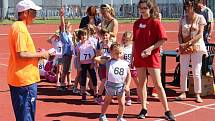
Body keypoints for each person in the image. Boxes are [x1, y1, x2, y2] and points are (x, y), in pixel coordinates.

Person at [7, 0, 54, 120]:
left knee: (23, 115)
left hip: (20, 78)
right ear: (24, 13)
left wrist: (39, 55)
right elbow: (21, 54)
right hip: (25, 80)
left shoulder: (17, 27)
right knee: (26, 116)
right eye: (33, 12)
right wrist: (42, 55)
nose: (35, 16)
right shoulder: (20, 29)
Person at [132, 0, 175, 120]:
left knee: (158, 84)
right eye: (140, 7)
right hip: (139, 57)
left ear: (150, 9)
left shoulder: (156, 23)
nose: (142, 10)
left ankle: (167, 110)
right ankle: (144, 108)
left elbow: (162, 39)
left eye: (145, 8)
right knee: (141, 83)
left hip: (152, 57)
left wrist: (150, 49)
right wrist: (132, 56)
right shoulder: (136, 23)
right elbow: (134, 41)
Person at [176, 0, 207, 103]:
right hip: (184, 47)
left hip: (197, 47)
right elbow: (179, 33)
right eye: (186, 7)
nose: (187, 9)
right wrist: (181, 44)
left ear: (193, 7)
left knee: (196, 71)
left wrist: (188, 43)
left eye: (189, 6)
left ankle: (198, 94)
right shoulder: (182, 19)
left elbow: (200, 34)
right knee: (183, 70)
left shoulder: (200, 18)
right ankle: (183, 92)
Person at [96, 43, 131, 121]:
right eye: (116, 53)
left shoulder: (125, 63)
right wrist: (108, 57)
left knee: (122, 103)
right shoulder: (108, 62)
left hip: (121, 86)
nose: (118, 55)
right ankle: (102, 115)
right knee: (107, 102)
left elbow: (129, 75)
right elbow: (96, 58)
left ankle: (120, 117)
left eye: (120, 53)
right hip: (110, 85)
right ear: (111, 52)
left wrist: (127, 85)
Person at [77, 29, 98, 102]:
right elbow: (78, 56)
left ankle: (96, 93)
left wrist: (93, 63)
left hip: (90, 64)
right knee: (83, 79)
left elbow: (95, 54)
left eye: (85, 35)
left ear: (87, 36)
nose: (83, 36)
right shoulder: (79, 45)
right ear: (79, 36)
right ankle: (83, 94)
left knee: (94, 78)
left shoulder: (90, 44)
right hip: (83, 65)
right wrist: (79, 66)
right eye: (82, 35)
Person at [121, 31, 140, 105]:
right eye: (124, 39)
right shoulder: (121, 47)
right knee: (126, 84)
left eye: (127, 40)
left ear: (131, 40)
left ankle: (140, 97)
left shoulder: (133, 47)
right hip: (125, 69)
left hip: (133, 68)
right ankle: (128, 98)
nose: (125, 41)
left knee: (138, 83)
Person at [94, 28, 112, 105]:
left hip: (110, 63)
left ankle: (108, 97)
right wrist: (102, 46)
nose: (105, 37)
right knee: (104, 80)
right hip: (103, 63)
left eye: (106, 35)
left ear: (109, 35)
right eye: (103, 35)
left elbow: (114, 52)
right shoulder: (100, 43)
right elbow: (98, 54)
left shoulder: (112, 43)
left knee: (110, 80)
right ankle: (99, 96)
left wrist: (108, 45)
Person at [59, 7, 74, 91]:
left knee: (69, 70)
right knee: (65, 70)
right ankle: (62, 84)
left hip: (70, 54)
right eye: (69, 26)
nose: (70, 27)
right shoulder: (63, 34)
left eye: (70, 26)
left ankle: (69, 83)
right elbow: (63, 25)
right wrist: (62, 17)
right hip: (66, 54)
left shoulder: (70, 34)